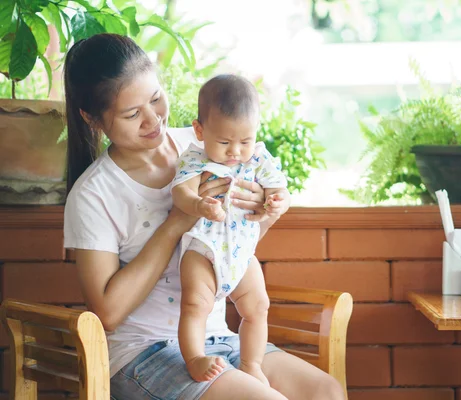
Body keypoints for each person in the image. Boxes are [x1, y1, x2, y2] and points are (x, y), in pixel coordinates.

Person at [63, 33, 344, 400]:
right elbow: (108, 313)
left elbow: (231, 249)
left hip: (221, 339)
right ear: (91, 118)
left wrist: (263, 211)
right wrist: (177, 221)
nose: (153, 120)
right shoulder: (93, 194)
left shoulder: (212, 144)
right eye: (132, 114)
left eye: (155, 99)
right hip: (144, 354)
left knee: (326, 392)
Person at [172, 74, 289, 384]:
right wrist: (197, 205)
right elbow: (180, 192)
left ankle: (252, 363)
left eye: (245, 141)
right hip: (203, 250)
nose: (236, 151)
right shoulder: (195, 159)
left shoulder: (259, 158)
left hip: (242, 253)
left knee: (258, 307)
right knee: (195, 304)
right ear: (200, 130)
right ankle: (195, 358)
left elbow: (280, 190)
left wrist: (277, 202)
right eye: (224, 142)